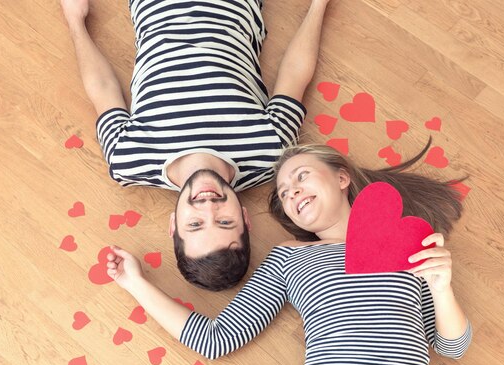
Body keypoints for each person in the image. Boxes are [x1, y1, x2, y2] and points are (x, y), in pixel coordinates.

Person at [106, 140, 472, 365]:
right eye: (284, 193)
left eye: (301, 177)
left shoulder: (407, 243)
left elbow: (452, 347)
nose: (292, 191)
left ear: (341, 177)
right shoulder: (289, 256)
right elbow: (215, 340)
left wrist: (442, 288)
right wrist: (134, 282)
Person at [61, 0, 331, 290]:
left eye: (195, 224)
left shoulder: (128, 159)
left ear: (174, 225)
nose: (208, 207)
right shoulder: (271, 153)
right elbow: (295, 74)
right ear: (244, 218)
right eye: (225, 222)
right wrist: (319, 5)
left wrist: (76, 22)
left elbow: (102, 87)